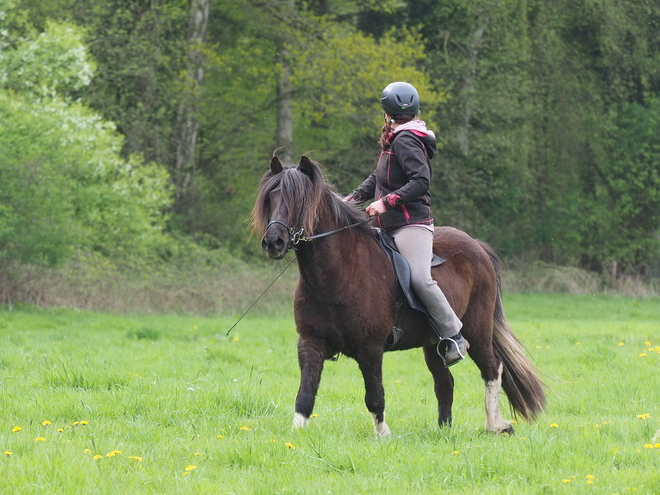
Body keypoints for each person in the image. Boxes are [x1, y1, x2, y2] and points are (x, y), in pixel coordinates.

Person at [345, 81, 469, 367]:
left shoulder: (406, 139)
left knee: (419, 279)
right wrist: (353, 198)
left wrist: (385, 203)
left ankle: (455, 335)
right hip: (386, 225)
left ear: (385, 113)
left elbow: (420, 182)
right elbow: (379, 177)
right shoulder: (395, 138)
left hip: (411, 225)